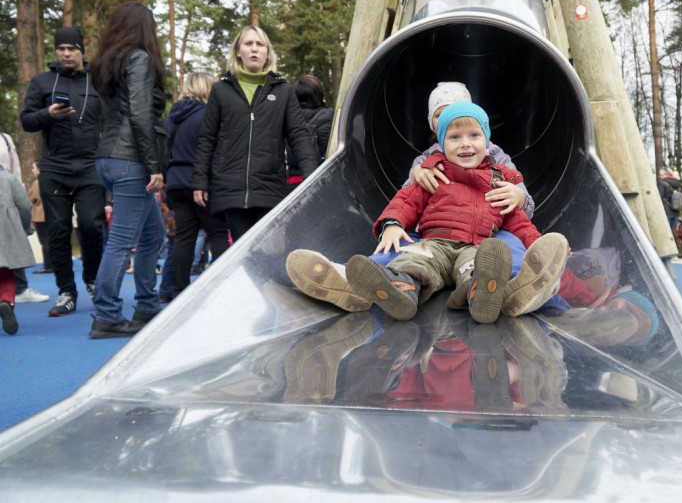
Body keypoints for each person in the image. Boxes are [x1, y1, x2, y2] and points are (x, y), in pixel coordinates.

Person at [286, 81, 560, 318]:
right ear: (434, 125)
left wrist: (519, 196)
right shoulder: (428, 162)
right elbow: (408, 199)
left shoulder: (496, 161)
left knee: (504, 251)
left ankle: (517, 287)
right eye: (442, 117)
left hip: (486, 236)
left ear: (483, 132)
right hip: (434, 236)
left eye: (472, 132)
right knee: (403, 253)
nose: (462, 139)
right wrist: (394, 221)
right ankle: (352, 281)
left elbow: (522, 216)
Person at [192, 25, 320, 241]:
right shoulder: (221, 91)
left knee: (267, 250)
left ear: (267, 52)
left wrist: (311, 177)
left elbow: (299, 135)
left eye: (260, 44)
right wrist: (200, 181)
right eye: (248, 44)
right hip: (230, 187)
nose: (254, 49)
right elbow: (207, 138)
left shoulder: (283, 91)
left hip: (269, 186)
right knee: (244, 246)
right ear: (238, 52)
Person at [88, 2, 167, 339]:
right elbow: (139, 114)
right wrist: (154, 165)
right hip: (131, 160)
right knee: (122, 241)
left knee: (154, 235)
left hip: (108, 158)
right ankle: (106, 315)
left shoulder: (107, 63)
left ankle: (147, 305)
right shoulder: (140, 59)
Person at [19, 27, 106, 316]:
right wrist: (48, 114)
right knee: (57, 230)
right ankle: (66, 291)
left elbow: (112, 119)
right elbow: (27, 121)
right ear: (55, 52)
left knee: (93, 225)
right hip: (54, 167)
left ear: (82, 50)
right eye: (61, 49)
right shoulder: (42, 82)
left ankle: (92, 279)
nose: (66, 53)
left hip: (91, 165)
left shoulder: (99, 80)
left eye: (72, 48)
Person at [164, 72, 230, 299]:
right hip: (202, 181)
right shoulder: (207, 116)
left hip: (175, 182)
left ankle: (178, 290)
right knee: (218, 233)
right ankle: (224, 288)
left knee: (184, 237)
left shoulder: (172, 118)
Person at [0, 132, 49, 305]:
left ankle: (19, 291)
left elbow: (16, 168)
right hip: (6, 194)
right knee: (6, 267)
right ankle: (7, 300)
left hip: (8, 195)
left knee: (8, 258)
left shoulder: (5, 138)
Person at [0, 162, 36, 336]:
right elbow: (25, 206)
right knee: (6, 275)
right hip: (5, 235)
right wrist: (24, 227)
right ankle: (6, 301)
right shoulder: (8, 178)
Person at [293, 73, 334, 161]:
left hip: (295, 173)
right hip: (323, 171)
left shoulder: (290, 119)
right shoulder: (330, 117)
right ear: (319, 93)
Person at [27, 161, 52, 273]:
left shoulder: (38, 182)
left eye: (33, 168)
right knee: (50, 240)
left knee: (45, 241)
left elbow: (32, 198)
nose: (32, 170)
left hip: (40, 216)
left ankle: (48, 265)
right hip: (49, 214)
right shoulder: (49, 180)